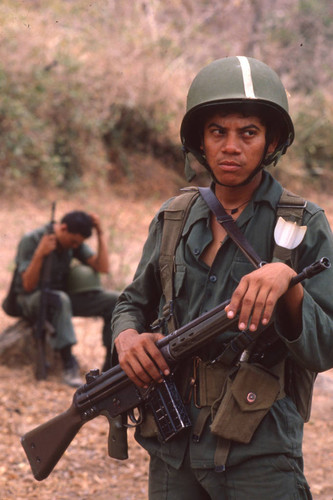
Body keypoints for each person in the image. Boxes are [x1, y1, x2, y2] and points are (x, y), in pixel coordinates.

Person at [111, 56, 333, 499]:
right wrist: (128, 338)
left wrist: (288, 283)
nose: (232, 146)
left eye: (248, 133)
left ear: (271, 142)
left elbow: (325, 346)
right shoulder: (173, 217)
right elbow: (132, 302)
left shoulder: (303, 223)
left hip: (259, 447)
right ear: (200, 141)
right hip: (174, 448)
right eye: (218, 132)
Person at [13, 210, 119, 387]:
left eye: (78, 243)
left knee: (114, 301)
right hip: (30, 299)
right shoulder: (31, 240)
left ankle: (110, 365)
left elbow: (103, 267)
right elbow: (27, 286)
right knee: (60, 299)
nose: (75, 246)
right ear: (63, 228)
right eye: (73, 241)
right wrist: (40, 254)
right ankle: (68, 364)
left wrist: (100, 234)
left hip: (61, 299)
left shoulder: (72, 243)